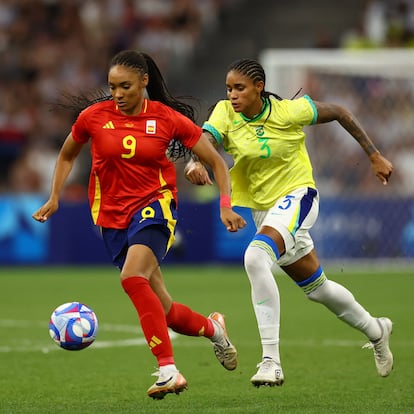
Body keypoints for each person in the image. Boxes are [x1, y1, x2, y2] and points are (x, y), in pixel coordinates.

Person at [32, 50, 246, 399]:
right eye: (112, 87)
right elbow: (68, 153)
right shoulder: (94, 117)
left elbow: (217, 163)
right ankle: (214, 329)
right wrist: (55, 196)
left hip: (155, 206)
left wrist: (225, 206)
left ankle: (168, 370)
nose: (117, 94)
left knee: (132, 278)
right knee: (166, 312)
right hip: (111, 217)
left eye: (125, 86)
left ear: (144, 82)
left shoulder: (167, 119)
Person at [184, 58, 394, 387]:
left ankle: (271, 362)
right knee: (318, 289)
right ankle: (377, 330)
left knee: (254, 257)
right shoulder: (225, 112)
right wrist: (195, 161)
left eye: (240, 88)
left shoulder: (288, 112)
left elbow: (339, 111)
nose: (233, 95)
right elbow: (206, 141)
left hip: (298, 196)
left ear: (259, 87)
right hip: (264, 211)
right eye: (229, 88)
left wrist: (373, 154)